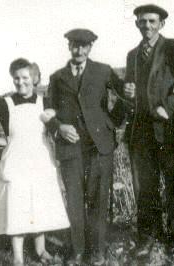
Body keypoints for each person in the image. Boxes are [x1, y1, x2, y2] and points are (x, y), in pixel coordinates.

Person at [0, 58, 70, 266]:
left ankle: (41, 250)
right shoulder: (5, 104)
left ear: (33, 78)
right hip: (16, 162)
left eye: (25, 77)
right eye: (16, 78)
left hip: (41, 159)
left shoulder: (45, 101)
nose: (21, 82)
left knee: (39, 205)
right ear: (12, 79)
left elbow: (56, 128)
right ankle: (18, 257)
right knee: (18, 206)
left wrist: (54, 121)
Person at [47, 29, 124, 266]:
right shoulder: (56, 77)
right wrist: (59, 127)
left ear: (91, 48)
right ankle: (77, 251)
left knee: (99, 198)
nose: (79, 50)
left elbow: (126, 96)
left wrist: (112, 123)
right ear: (69, 47)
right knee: (74, 198)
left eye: (84, 46)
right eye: (74, 45)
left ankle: (98, 251)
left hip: (99, 145)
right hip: (70, 146)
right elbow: (48, 110)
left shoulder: (103, 70)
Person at [123, 4, 174, 256]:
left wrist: (168, 108)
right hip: (142, 131)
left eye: (152, 21)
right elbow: (131, 93)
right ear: (136, 24)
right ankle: (148, 236)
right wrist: (127, 92)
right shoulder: (132, 55)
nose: (147, 26)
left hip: (170, 128)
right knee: (146, 187)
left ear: (161, 23)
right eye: (142, 22)